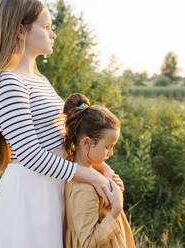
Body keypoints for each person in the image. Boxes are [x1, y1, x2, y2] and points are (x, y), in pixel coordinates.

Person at [0, 0, 119, 247]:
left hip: (50, 191)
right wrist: (93, 178)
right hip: (30, 198)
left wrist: (101, 170)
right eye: (46, 27)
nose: (53, 34)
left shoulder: (38, 80)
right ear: (20, 30)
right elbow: (31, 155)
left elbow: (62, 142)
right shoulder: (8, 83)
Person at [55, 93, 134, 248]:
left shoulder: (92, 174)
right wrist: (115, 209)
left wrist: (108, 177)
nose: (111, 153)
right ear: (86, 143)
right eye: (107, 147)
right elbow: (87, 243)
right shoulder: (83, 189)